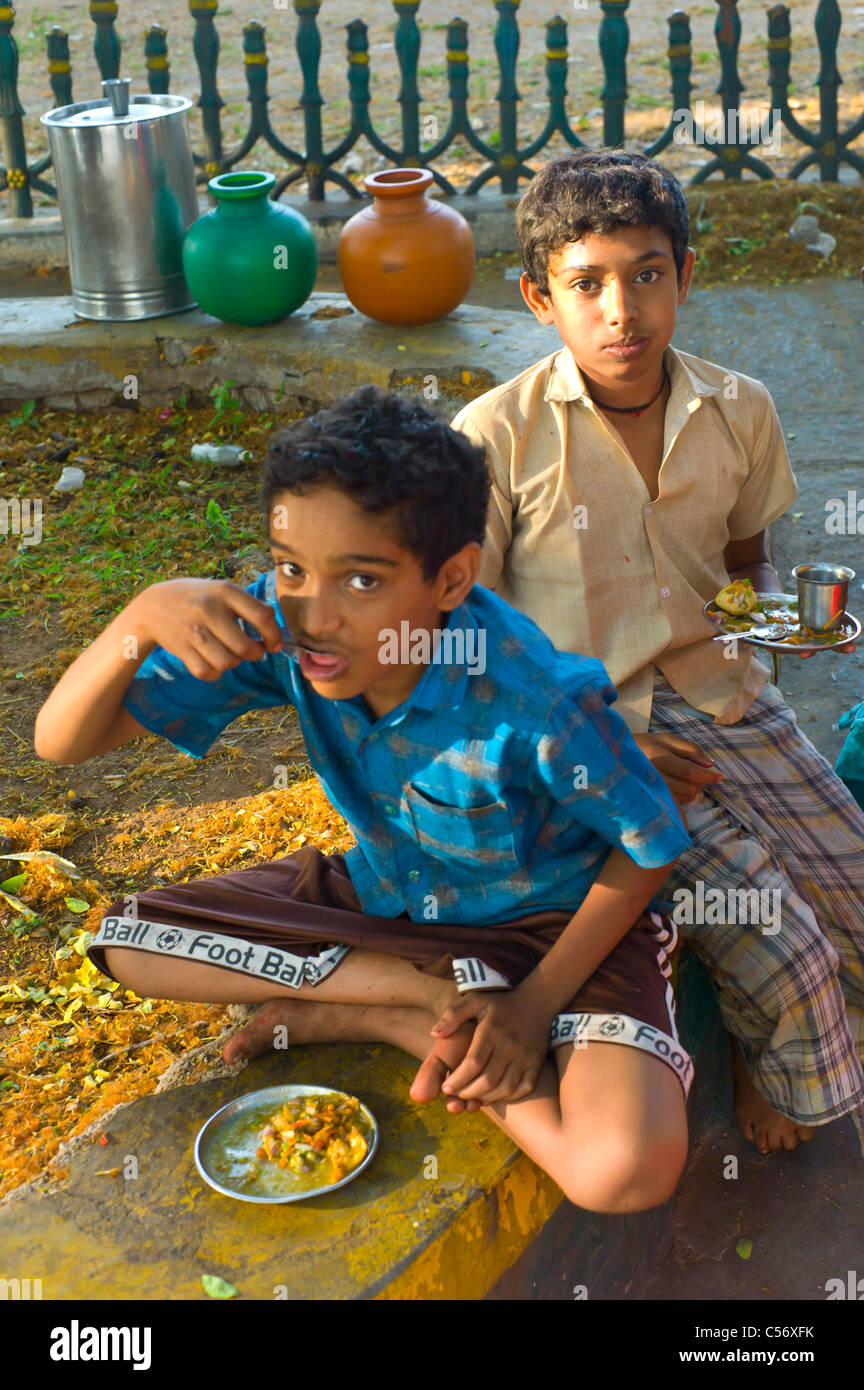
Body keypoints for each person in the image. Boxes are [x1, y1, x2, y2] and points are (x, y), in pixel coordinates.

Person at [34, 385, 693, 1214]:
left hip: (557, 926)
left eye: (361, 580)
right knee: (127, 943)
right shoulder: (282, 631)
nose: (315, 615)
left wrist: (533, 1007)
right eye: (291, 569)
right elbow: (61, 742)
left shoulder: (536, 703)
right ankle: (412, 1009)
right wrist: (140, 615)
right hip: (393, 912)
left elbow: (649, 846)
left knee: (618, 1174)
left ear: (451, 577)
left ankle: (375, 1007)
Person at [450, 148, 864, 1159]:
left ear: (685, 274)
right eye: (586, 283)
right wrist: (592, 753)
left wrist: (776, 620)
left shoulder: (739, 409)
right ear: (538, 297)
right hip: (589, 739)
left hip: (726, 702)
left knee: (852, 887)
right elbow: (466, 651)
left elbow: (748, 566)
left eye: (646, 274)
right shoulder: (493, 439)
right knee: (784, 940)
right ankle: (777, 1077)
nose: (620, 309)